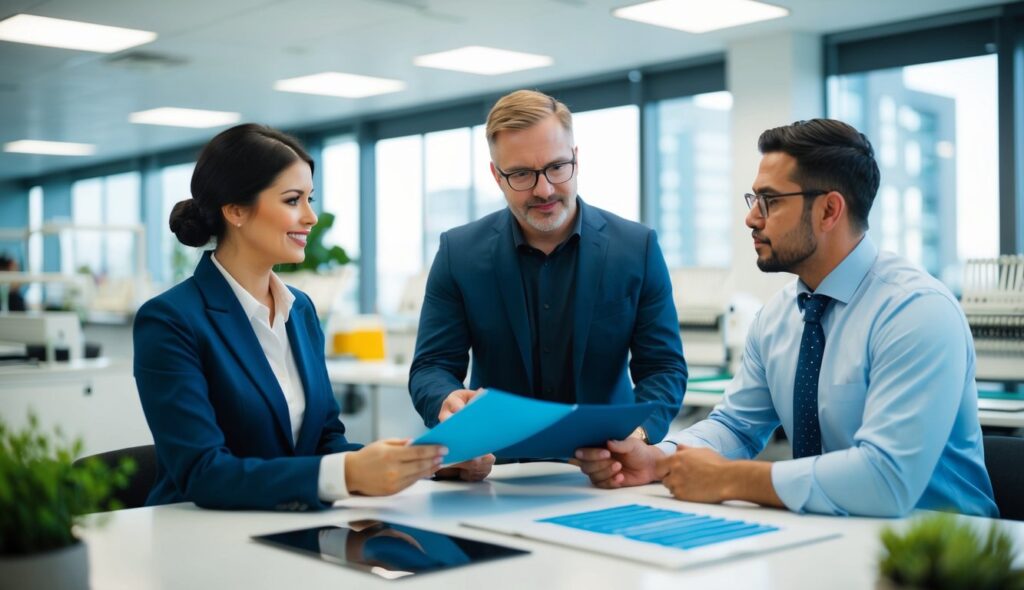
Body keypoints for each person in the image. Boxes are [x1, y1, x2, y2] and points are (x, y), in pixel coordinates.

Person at [573, 119, 997, 518]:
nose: (751, 217)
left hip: (946, 550)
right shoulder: (779, 315)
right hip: (828, 535)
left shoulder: (915, 311)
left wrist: (730, 479)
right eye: (754, 199)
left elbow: (887, 480)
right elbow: (737, 427)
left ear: (830, 211)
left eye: (770, 201)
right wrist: (658, 459)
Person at [134, 124, 446, 510]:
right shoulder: (170, 321)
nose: (311, 217)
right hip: (205, 539)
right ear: (235, 210)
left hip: (293, 528)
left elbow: (326, 439)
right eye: (293, 200)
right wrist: (347, 474)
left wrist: (427, 464)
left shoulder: (300, 309)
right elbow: (204, 473)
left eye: (309, 199)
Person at [409, 90, 687, 481]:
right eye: (521, 174)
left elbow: (663, 366)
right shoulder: (459, 252)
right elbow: (432, 366)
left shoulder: (636, 247)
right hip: (493, 473)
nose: (543, 190)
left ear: (576, 158)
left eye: (557, 167)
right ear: (496, 175)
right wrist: (447, 403)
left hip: (607, 470)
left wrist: (636, 436)